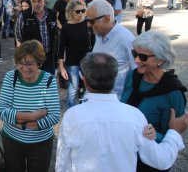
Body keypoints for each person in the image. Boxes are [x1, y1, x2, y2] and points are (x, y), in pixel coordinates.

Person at [56, 52, 188, 172]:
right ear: (114, 80)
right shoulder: (135, 116)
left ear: (85, 81)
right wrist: (174, 132)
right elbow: (161, 160)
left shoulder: (72, 116)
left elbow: (63, 163)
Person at [121, 31, 187, 171]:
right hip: (125, 153)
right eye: (134, 54)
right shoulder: (133, 76)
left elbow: (173, 134)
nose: (136, 60)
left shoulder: (173, 92)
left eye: (143, 57)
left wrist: (153, 134)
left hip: (150, 161)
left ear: (161, 60)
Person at [0, 40, 60, 172]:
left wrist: (21, 123)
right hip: (12, 140)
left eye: (29, 64)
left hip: (41, 143)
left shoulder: (48, 81)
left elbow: (54, 116)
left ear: (39, 63)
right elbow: (1, 111)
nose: (24, 68)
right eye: (21, 63)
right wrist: (33, 116)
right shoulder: (11, 77)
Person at [86, 0, 136, 98]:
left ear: (107, 18)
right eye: (87, 20)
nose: (88, 25)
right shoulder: (99, 35)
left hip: (117, 101)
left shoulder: (125, 39)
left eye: (91, 21)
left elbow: (137, 72)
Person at [58, 0, 91, 108]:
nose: (81, 13)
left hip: (87, 61)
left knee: (89, 86)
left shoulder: (87, 23)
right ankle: (71, 110)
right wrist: (62, 68)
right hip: (72, 63)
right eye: (78, 11)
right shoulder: (66, 28)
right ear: (71, 12)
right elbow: (61, 49)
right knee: (74, 87)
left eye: (83, 10)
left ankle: (83, 108)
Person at [15, 0, 58, 74]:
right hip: (31, 58)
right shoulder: (24, 16)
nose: (36, 4)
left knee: (48, 81)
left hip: (49, 56)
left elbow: (56, 33)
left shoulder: (52, 14)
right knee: (33, 81)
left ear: (44, 1)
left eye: (39, 1)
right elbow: (19, 36)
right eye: (34, 1)